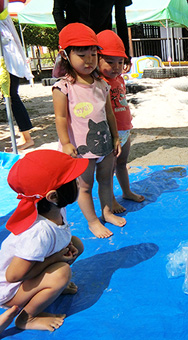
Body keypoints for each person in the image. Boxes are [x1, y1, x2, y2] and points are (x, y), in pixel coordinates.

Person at [0, 149, 89, 331]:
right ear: (53, 196)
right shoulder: (38, 232)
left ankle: (50, 287)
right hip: (10, 290)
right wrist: (56, 259)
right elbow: (13, 276)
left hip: (31, 272)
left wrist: (63, 248)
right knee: (62, 272)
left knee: (76, 244)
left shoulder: (55, 209)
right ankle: (27, 318)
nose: (79, 182)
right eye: (73, 181)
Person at [53, 23, 125, 238]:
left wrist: (115, 138)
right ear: (65, 56)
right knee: (85, 186)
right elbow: (60, 117)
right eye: (81, 55)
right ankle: (93, 221)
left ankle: (107, 212)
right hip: (81, 149)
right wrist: (66, 143)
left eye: (93, 55)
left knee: (106, 180)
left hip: (104, 145)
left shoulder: (101, 84)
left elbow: (109, 114)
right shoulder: (64, 87)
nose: (88, 60)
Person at [96, 30, 145, 213]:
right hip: (110, 132)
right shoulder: (98, 82)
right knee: (107, 171)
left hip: (124, 129)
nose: (116, 67)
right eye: (110, 62)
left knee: (123, 162)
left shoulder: (119, 79)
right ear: (97, 59)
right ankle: (110, 202)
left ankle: (126, 191)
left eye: (120, 62)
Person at [52, 0, 132, 70]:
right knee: (76, 81)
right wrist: (67, 41)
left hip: (102, 44)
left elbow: (120, 17)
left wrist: (125, 53)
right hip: (76, 43)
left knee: (105, 82)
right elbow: (57, 11)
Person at [0, 2, 34, 150]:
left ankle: (27, 137)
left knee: (12, 97)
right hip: (9, 61)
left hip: (7, 62)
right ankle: (24, 136)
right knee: (13, 97)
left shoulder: (3, 16)